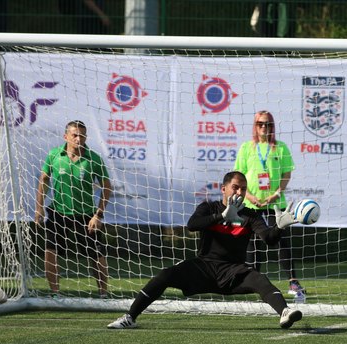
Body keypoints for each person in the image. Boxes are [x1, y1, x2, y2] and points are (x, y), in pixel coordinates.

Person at [107, 171, 303, 330]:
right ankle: (130, 317)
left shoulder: (250, 215)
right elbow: (192, 225)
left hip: (233, 272)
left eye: (243, 189)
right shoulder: (208, 208)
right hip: (204, 268)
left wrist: (279, 227)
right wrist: (221, 216)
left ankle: (285, 313)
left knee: (260, 279)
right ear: (223, 189)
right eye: (235, 187)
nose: (239, 192)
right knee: (165, 275)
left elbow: (269, 239)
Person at [34, 120, 112, 298]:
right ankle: (55, 293)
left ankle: (103, 294)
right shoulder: (54, 155)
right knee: (50, 250)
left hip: (86, 215)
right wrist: (39, 208)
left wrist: (98, 215)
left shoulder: (93, 159)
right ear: (66, 136)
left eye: (82, 135)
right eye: (75, 135)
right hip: (58, 213)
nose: (79, 138)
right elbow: (44, 180)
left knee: (97, 253)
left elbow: (107, 187)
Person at [234, 111, 305, 299]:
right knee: (253, 243)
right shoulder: (246, 148)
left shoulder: (280, 148)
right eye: (260, 124)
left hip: (275, 203)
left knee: (282, 242)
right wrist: (249, 196)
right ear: (255, 126)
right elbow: (239, 177)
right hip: (252, 204)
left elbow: (286, 175)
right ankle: (251, 281)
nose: (264, 128)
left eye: (268, 124)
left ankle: (293, 282)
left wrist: (276, 194)